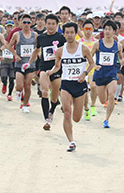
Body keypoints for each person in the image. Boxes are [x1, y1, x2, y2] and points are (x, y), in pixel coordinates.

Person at [48, 22, 95, 152]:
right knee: (67, 113)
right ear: (63, 34)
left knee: (76, 118)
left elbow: (92, 64)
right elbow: (57, 66)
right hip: (66, 83)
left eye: (71, 32)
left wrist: (84, 73)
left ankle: (85, 108)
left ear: (76, 33)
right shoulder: (60, 51)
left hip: (80, 85)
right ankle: (71, 141)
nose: (69, 35)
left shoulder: (84, 49)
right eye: (67, 33)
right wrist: (51, 71)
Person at [26, 14, 66, 130]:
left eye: (53, 24)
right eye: (49, 24)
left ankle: (52, 110)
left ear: (57, 25)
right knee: (44, 92)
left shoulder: (61, 38)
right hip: (44, 68)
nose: (51, 26)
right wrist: (29, 63)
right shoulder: (41, 37)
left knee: (54, 98)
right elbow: (36, 50)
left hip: (57, 69)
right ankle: (46, 120)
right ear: (45, 24)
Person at [91, 20, 123, 127]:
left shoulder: (118, 45)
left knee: (111, 95)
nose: (107, 31)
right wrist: (95, 66)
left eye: (110, 29)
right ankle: (100, 104)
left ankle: (107, 119)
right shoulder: (97, 44)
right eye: (105, 29)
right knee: (102, 100)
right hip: (100, 74)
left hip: (112, 73)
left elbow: (121, 58)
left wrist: (122, 62)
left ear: (114, 31)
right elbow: (89, 57)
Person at [9, 14, 37, 112]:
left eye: (28, 22)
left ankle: (25, 105)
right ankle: (19, 92)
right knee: (20, 85)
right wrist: (15, 55)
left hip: (30, 64)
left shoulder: (35, 35)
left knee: (28, 85)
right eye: (24, 22)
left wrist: (36, 55)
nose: (26, 24)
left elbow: (38, 47)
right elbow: (9, 45)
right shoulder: (17, 34)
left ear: (31, 23)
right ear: (20, 23)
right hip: (20, 63)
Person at [79, 20, 98, 120]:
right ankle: (86, 108)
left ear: (93, 30)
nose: (88, 31)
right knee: (84, 91)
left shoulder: (96, 42)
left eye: (90, 29)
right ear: (82, 30)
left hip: (93, 68)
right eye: (86, 29)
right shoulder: (79, 42)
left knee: (94, 86)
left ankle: (93, 105)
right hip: (83, 69)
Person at [0, 21, 16, 101]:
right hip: (4, 60)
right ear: (5, 28)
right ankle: (4, 84)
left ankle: (9, 94)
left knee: (12, 79)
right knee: (3, 77)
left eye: (11, 27)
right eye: (8, 27)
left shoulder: (16, 36)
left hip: (12, 61)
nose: (9, 29)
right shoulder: (3, 36)